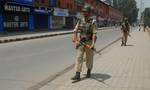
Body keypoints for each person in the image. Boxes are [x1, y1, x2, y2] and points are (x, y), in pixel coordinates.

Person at [71, 5, 97, 81]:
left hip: (89, 42)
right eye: (83, 11)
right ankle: (77, 74)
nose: (84, 13)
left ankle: (89, 70)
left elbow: (94, 34)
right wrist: (75, 38)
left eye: (85, 12)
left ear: (89, 13)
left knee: (89, 58)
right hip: (81, 42)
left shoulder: (93, 22)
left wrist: (92, 44)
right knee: (79, 57)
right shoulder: (80, 20)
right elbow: (75, 30)